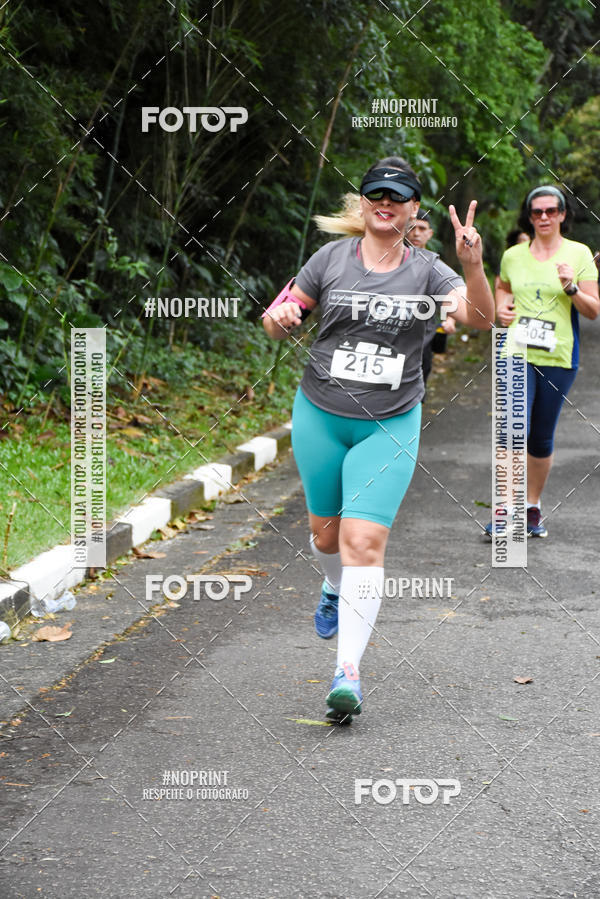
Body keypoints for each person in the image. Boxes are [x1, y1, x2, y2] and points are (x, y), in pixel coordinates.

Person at [263, 156, 494, 722]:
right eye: (375, 194)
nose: (385, 203)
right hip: (320, 414)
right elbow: (277, 313)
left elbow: (481, 320)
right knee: (326, 539)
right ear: (363, 202)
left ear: (415, 208)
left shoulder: (429, 270)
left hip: (389, 423)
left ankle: (347, 674)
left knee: (363, 542)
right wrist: (285, 316)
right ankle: (334, 589)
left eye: (398, 196)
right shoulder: (330, 259)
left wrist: (473, 266)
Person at [487, 185, 599, 539]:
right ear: (530, 216)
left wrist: (571, 288)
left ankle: (532, 506)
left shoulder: (579, 254)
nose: (544, 217)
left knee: (540, 437)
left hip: (559, 355)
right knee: (511, 430)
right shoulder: (513, 255)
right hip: (516, 352)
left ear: (563, 215)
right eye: (537, 212)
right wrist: (501, 305)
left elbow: (593, 310)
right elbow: (502, 286)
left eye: (551, 211)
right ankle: (505, 509)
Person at [406, 210, 456, 383]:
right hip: (390, 336)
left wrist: (450, 319)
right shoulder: (389, 259)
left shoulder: (437, 267)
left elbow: (451, 294)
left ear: (430, 234)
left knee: (418, 391)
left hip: (423, 339)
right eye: (411, 227)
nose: (416, 233)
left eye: (422, 228)